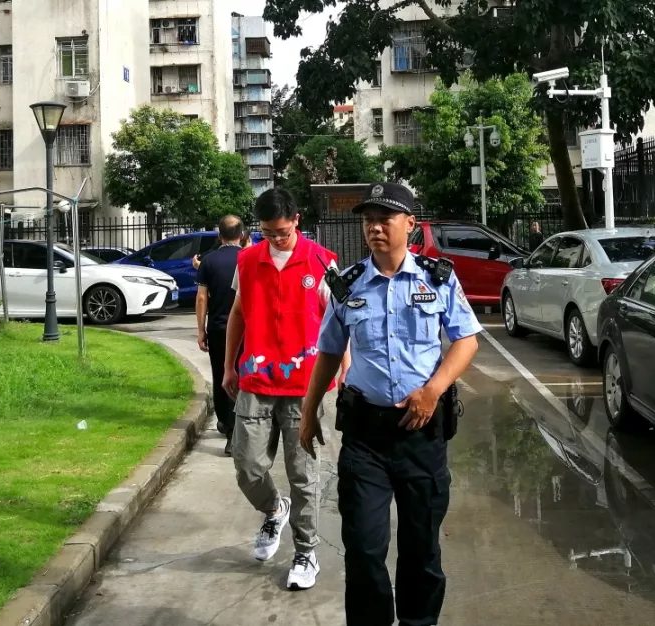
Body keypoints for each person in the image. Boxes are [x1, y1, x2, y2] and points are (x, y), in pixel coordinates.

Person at [299, 182, 481, 626]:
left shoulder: (437, 278)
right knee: (364, 548)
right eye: (368, 220)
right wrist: (308, 412)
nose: (375, 227)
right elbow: (329, 351)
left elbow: (466, 340)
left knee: (421, 548)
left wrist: (433, 390)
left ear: (410, 224)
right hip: (366, 438)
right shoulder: (348, 285)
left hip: (422, 435)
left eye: (385, 219)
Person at [222, 188, 350, 591]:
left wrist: (346, 369)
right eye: (266, 233)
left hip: (304, 385)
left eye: (281, 232)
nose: (275, 240)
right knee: (247, 464)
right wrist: (228, 365)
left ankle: (306, 551)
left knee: (303, 473)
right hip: (256, 378)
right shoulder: (247, 261)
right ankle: (274, 509)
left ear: (296, 220)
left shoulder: (322, 262)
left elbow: (339, 319)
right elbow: (238, 314)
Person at [195, 215, 245, 456]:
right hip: (246, 329)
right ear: (242, 235)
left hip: (219, 327)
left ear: (219, 235)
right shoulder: (249, 258)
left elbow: (201, 297)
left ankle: (227, 423)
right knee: (244, 376)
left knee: (221, 374)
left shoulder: (209, 261)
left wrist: (200, 329)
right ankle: (239, 426)